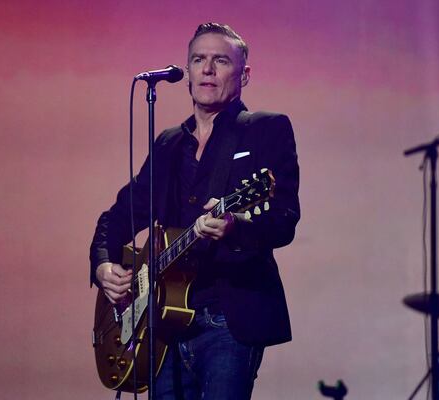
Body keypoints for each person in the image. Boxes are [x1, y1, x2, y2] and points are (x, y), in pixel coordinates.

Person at [89, 22, 300, 399]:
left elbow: (284, 220)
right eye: (198, 60)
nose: (207, 69)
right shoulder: (170, 143)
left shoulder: (265, 129)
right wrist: (104, 265)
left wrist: (235, 225)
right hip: (163, 328)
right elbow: (118, 217)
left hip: (228, 319)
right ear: (185, 73)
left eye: (220, 60)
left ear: (244, 75)